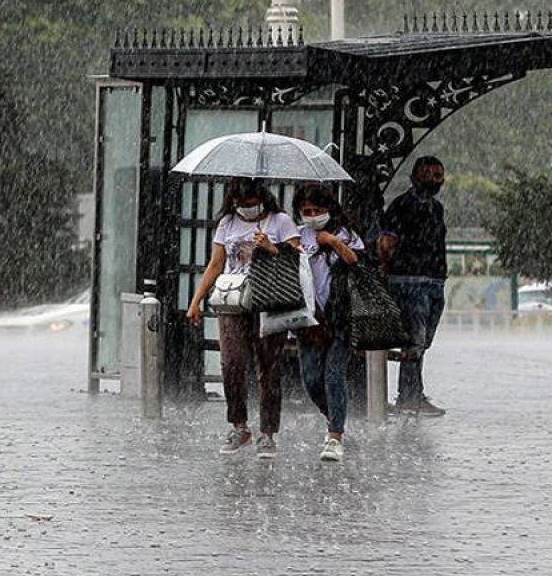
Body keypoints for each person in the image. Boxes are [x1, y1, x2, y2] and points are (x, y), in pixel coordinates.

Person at [186, 178, 300, 459]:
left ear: (261, 198)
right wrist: (196, 300)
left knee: (268, 367)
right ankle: (239, 425)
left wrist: (272, 247)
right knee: (231, 363)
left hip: (269, 300)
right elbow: (216, 263)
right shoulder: (227, 223)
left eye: (251, 204)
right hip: (233, 300)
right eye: (241, 204)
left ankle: (268, 432)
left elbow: (299, 259)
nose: (246, 209)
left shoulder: (281, 221)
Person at [292, 184, 363, 461]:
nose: (312, 215)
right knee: (311, 378)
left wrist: (332, 241)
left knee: (333, 373)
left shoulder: (345, 233)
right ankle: (334, 415)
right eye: (306, 211)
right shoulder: (297, 235)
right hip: (309, 319)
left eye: (317, 210)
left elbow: (356, 261)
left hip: (341, 316)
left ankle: (335, 435)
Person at [377, 156, 448, 416]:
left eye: (438, 175)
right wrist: (386, 269)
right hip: (409, 281)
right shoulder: (401, 206)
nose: (433, 180)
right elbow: (386, 242)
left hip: (434, 281)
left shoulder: (436, 208)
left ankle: (412, 392)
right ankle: (409, 396)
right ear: (414, 177)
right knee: (414, 340)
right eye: (428, 174)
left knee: (423, 341)